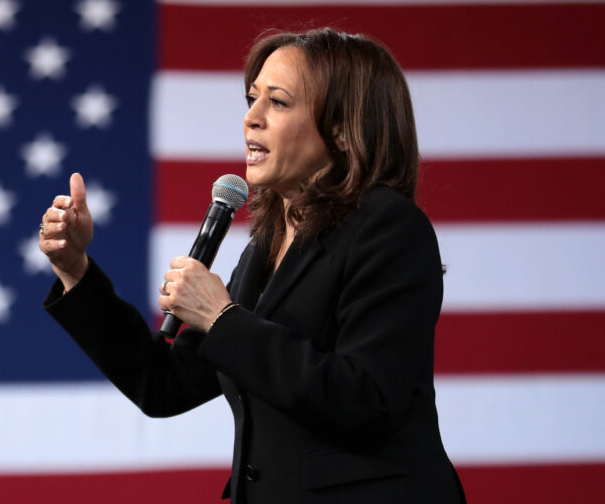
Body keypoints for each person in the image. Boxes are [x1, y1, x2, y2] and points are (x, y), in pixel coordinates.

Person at [39, 28, 466, 503]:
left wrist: (222, 319)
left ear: (344, 129)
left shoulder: (389, 228)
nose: (251, 119)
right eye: (251, 98)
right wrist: (76, 269)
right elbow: (162, 383)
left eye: (278, 103)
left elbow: (364, 399)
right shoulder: (266, 246)